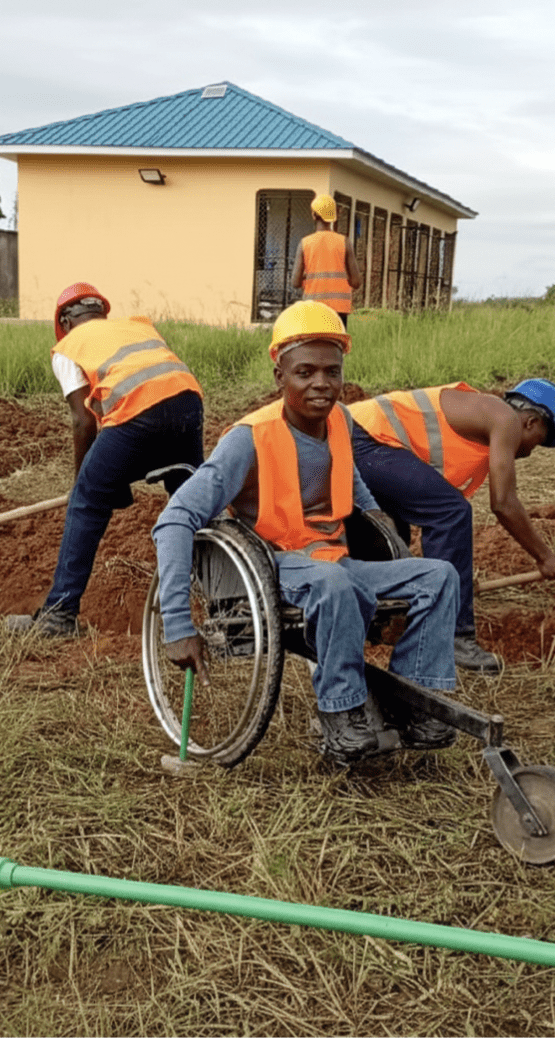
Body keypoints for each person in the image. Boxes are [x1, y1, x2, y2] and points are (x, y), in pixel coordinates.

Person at [152, 301, 460, 764]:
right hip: (274, 565)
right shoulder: (248, 438)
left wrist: (387, 544)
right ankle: (342, 714)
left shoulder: (339, 421)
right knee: (333, 584)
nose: (321, 384)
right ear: (280, 376)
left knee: (439, 576)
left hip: (335, 562)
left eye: (331, 372)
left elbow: (355, 489)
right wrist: (177, 624)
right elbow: (175, 519)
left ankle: (416, 701)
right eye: (305, 372)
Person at [7, 281, 204, 637]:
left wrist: (83, 483)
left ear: (65, 322)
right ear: (100, 312)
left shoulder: (69, 346)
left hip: (140, 414)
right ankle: (230, 602)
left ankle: (59, 615)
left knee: (87, 502)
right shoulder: (135, 325)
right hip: (188, 402)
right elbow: (116, 413)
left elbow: (84, 422)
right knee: (193, 502)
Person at [349, 380, 555, 672]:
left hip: (351, 437)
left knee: (396, 534)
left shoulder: (479, 418)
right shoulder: (504, 418)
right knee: (451, 513)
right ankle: (453, 636)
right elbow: (503, 503)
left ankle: (378, 618)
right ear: (531, 421)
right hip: (365, 440)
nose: (530, 452)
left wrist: (457, 583)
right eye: (540, 441)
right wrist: (545, 557)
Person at [292, 193, 362, 328]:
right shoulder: (344, 242)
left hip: (313, 309)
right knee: (337, 347)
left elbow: (295, 282)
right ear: (334, 217)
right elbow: (356, 282)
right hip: (339, 311)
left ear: (314, 215)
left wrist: (308, 277)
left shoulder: (305, 243)